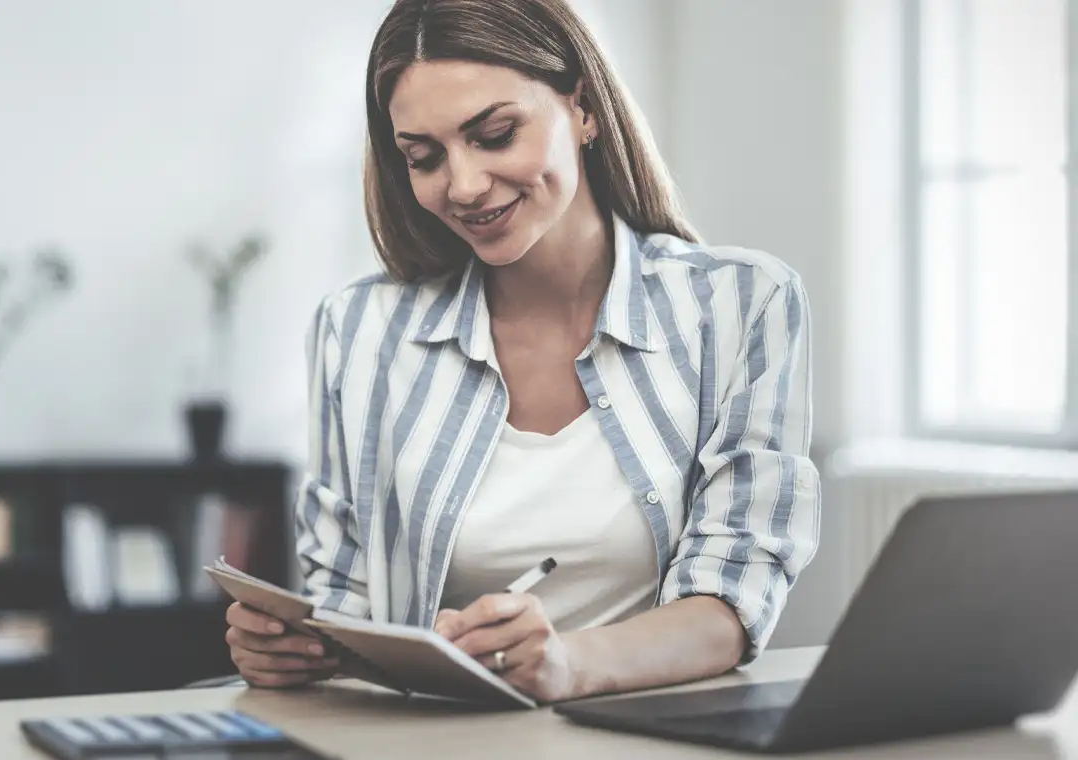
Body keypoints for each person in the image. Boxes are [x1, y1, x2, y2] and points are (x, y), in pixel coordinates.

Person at [225, 0, 820, 704]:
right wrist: (300, 651)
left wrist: (564, 664)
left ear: (584, 107)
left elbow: (734, 601)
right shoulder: (358, 331)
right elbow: (344, 599)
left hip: (651, 736)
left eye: (496, 134)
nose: (464, 186)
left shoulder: (741, 305)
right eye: (424, 156)